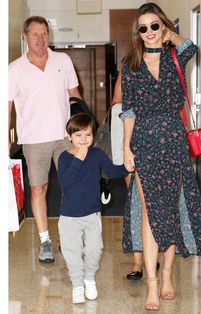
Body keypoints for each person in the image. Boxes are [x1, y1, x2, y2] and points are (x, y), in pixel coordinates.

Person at [121, 3, 201, 311]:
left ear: (162, 26)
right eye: (142, 28)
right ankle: (152, 284)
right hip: (144, 141)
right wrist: (125, 147)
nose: (148, 33)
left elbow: (191, 46)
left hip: (173, 140)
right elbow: (128, 110)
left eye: (153, 26)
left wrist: (171, 34)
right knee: (149, 212)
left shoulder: (176, 56)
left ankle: (169, 276)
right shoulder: (130, 64)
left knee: (170, 210)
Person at [8, 16, 83, 263]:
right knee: (38, 188)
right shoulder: (15, 69)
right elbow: (6, 108)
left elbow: (74, 95)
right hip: (33, 139)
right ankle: (45, 241)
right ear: (25, 37)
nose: (40, 39)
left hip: (64, 137)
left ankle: (68, 233)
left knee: (71, 186)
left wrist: (82, 129)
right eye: (35, 35)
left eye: (44, 34)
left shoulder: (63, 61)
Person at [57, 113, 127, 303]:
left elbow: (112, 171)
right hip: (69, 216)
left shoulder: (97, 155)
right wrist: (78, 160)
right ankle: (78, 284)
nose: (83, 140)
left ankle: (89, 278)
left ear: (93, 136)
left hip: (92, 214)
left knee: (95, 250)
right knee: (72, 251)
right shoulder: (64, 158)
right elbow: (65, 182)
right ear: (69, 137)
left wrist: (128, 167)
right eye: (78, 135)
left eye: (88, 135)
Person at [111, 72, 160, 280]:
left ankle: (151, 257)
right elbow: (117, 102)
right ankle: (138, 261)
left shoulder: (166, 64)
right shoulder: (129, 68)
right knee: (137, 204)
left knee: (152, 206)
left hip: (159, 142)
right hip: (133, 143)